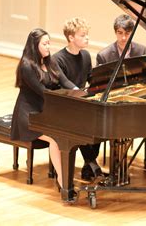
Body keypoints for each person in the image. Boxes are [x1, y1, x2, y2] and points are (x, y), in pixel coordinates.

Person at [96, 14, 146, 174]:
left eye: (127, 33)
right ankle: (119, 158)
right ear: (115, 32)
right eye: (120, 33)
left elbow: (145, 76)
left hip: (136, 96)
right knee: (127, 122)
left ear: (132, 33)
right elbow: (98, 86)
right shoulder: (104, 55)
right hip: (115, 101)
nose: (123, 37)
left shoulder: (141, 50)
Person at [10, 28, 75, 190]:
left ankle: (65, 175)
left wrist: (80, 92)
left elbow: (65, 81)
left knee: (66, 135)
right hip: (28, 115)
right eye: (45, 44)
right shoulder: (26, 66)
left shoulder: (49, 61)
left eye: (49, 43)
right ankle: (63, 180)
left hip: (44, 111)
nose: (48, 47)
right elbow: (43, 92)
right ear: (35, 45)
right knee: (55, 139)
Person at [53, 17, 102, 180]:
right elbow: (63, 84)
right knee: (83, 125)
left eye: (87, 34)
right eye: (83, 35)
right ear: (71, 38)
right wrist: (80, 94)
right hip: (63, 105)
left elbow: (91, 79)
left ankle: (89, 165)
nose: (87, 38)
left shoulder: (86, 55)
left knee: (102, 124)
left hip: (81, 103)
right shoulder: (58, 59)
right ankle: (92, 164)